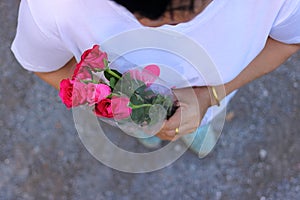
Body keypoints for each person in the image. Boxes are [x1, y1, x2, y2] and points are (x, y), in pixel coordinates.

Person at [11, 0, 300, 156]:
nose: (149, 25)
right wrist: (123, 110)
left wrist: (209, 97)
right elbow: (45, 65)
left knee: (200, 122)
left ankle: (199, 125)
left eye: (176, 14)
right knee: (147, 132)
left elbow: (288, 40)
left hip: (212, 101)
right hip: (131, 110)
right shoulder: (54, 7)